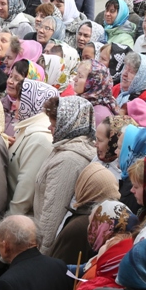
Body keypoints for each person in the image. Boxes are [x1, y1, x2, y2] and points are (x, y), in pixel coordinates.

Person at [34, 96, 97, 252]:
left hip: (48, 249)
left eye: (54, 124)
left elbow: (52, 216)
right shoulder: (66, 147)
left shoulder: (68, 161)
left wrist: (39, 254)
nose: (49, 128)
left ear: (68, 125)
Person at [8, 79, 58, 217]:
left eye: (19, 100)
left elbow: (25, 191)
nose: (15, 105)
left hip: (18, 220)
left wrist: (8, 222)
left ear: (34, 102)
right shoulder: (28, 127)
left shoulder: (40, 139)